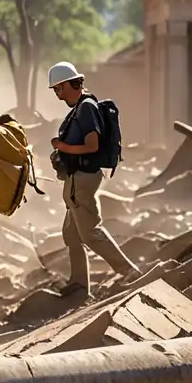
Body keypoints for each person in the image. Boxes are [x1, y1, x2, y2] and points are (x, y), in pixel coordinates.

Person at [49, 61, 140, 297]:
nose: (58, 95)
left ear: (71, 84)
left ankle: (129, 271)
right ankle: (79, 283)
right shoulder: (80, 108)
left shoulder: (86, 108)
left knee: (89, 231)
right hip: (75, 179)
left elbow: (92, 145)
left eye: (59, 88)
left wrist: (63, 147)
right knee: (71, 233)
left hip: (83, 179)